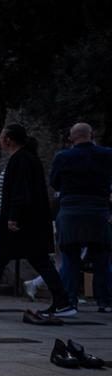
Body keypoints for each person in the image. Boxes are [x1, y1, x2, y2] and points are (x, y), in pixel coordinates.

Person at [0, 124, 75, 317]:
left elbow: (20, 191)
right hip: (24, 223)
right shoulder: (22, 159)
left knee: (20, 261)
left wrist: (13, 217)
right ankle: (62, 302)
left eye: (1, 136)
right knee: (15, 261)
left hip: (21, 224)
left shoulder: (21, 159)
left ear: (8, 139)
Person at [50, 122, 112, 312]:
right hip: (98, 210)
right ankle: (106, 301)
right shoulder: (107, 154)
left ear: (72, 137)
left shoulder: (63, 157)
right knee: (102, 259)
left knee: (70, 258)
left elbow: (54, 183)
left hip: (71, 210)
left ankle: (70, 300)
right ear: (91, 135)